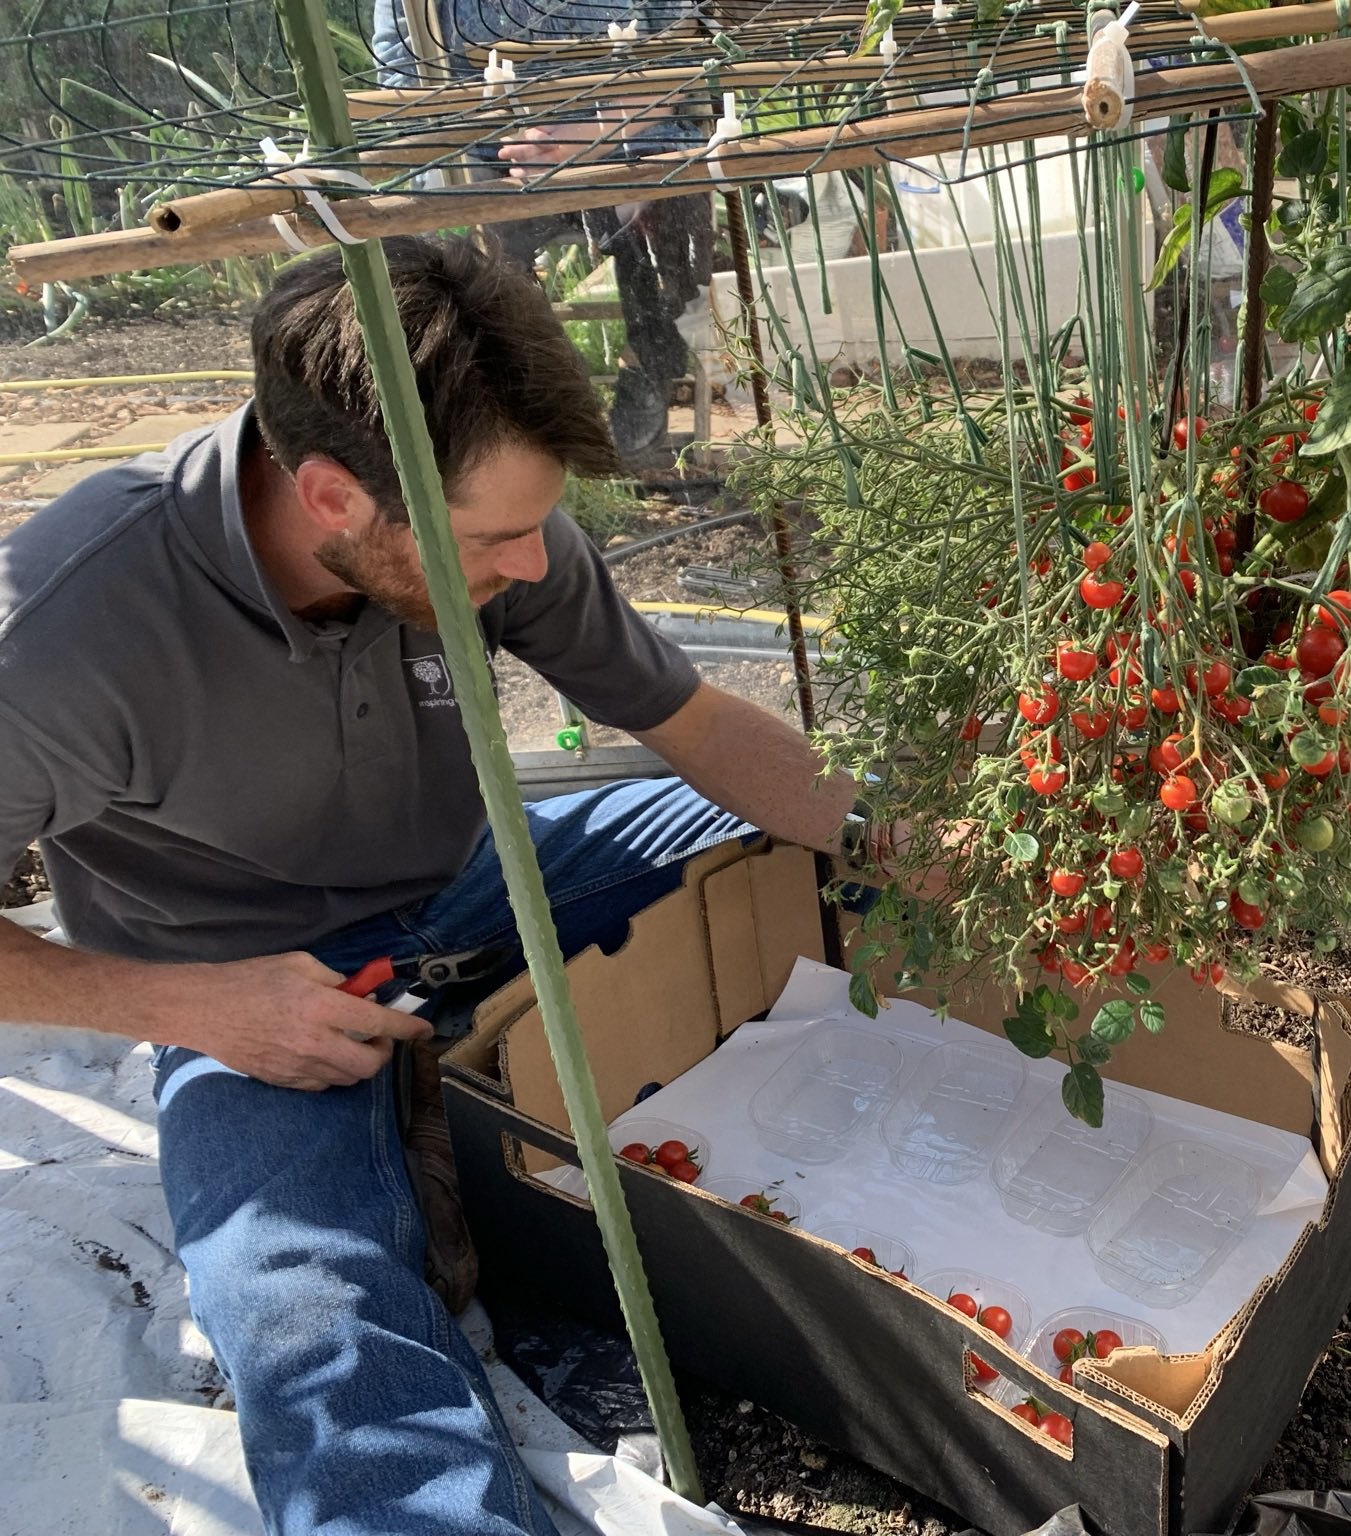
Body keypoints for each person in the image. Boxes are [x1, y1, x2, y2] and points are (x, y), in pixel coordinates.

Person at [0, 237, 883, 1535]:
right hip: (248, 998)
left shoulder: (497, 539)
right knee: (306, 1315)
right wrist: (207, 1015)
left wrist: (898, 839)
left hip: (475, 890)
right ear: (332, 495)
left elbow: (699, 730)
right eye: (495, 538)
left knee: (747, 823)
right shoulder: (71, 631)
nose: (532, 566)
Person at [370, 0, 714, 470]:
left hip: (634, 130)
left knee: (666, 211)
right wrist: (508, 133)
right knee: (458, 257)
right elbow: (403, 83)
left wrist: (588, 133)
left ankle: (649, 368)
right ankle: (515, 404)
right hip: (487, 154)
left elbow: (681, 56)